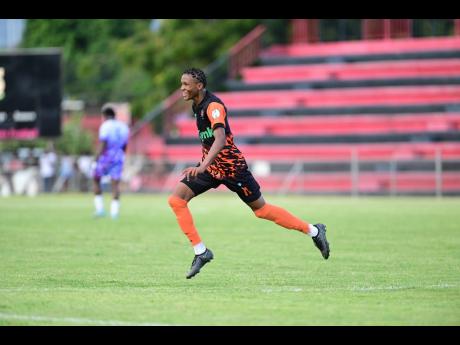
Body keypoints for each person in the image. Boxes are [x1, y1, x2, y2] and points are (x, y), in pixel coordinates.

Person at [168, 68, 330, 279]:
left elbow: (220, 139)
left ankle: (314, 231)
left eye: (186, 84)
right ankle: (201, 252)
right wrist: (206, 165)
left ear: (199, 86)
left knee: (261, 210)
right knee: (176, 200)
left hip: (233, 168)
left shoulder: (213, 107)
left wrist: (202, 165)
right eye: (181, 84)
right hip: (212, 168)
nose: (182, 88)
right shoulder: (196, 105)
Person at [92, 105, 130, 219]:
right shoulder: (124, 127)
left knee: (96, 179)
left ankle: (100, 210)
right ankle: (114, 213)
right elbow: (125, 145)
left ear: (104, 115)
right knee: (115, 184)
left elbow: (103, 143)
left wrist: (96, 158)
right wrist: (121, 156)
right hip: (118, 157)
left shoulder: (105, 126)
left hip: (105, 157)